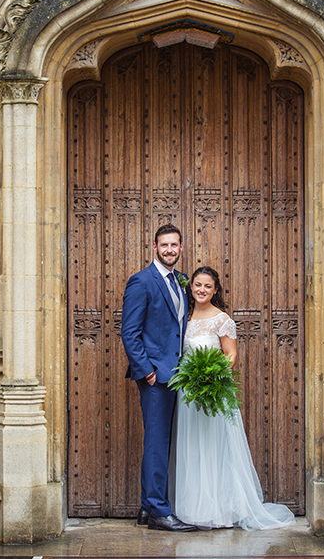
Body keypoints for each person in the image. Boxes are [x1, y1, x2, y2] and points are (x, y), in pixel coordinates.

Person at [169, 266, 296, 531]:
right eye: (198, 285)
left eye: (207, 286)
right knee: (192, 447)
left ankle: (219, 510)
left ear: (215, 290)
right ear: (191, 287)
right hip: (188, 394)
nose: (202, 290)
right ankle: (193, 507)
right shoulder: (184, 316)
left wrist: (211, 378)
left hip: (213, 392)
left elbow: (230, 355)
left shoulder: (222, 319)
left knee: (215, 449)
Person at [121, 224, 197, 532]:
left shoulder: (180, 282)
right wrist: (148, 372)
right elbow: (129, 331)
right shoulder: (141, 281)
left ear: (181, 248)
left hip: (177, 375)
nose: (169, 250)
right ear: (154, 248)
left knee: (162, 442)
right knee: (156, 443)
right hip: (157, 378)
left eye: (174, 245)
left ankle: (145, 507)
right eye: (164, 245)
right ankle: (158, 511)